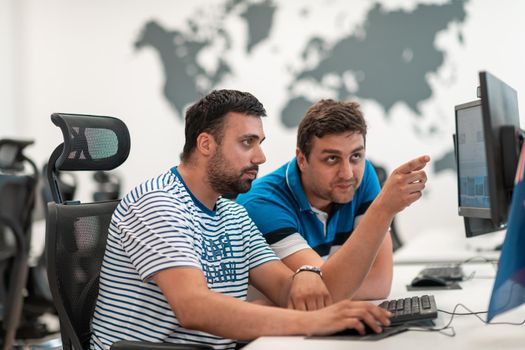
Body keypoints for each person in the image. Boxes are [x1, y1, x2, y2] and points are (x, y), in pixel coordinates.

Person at [90, 90, 393, 350]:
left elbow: (288, 291)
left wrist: (306, 275)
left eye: (259, 142)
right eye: (247, 142)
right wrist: (315, 319)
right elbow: (194, 308)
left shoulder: (233, 214)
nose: (261, 157)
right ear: (206, 144)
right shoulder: (158, 203)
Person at [237, 99, 430, 302]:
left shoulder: (362, 177)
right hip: (271, 332)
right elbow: (326, 291)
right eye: (332, 159)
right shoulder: (261, 203)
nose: (347, 174)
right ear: (302, 160)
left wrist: (339, 284)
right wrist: (383, 209)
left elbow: (380, 283)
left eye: (356, 156)